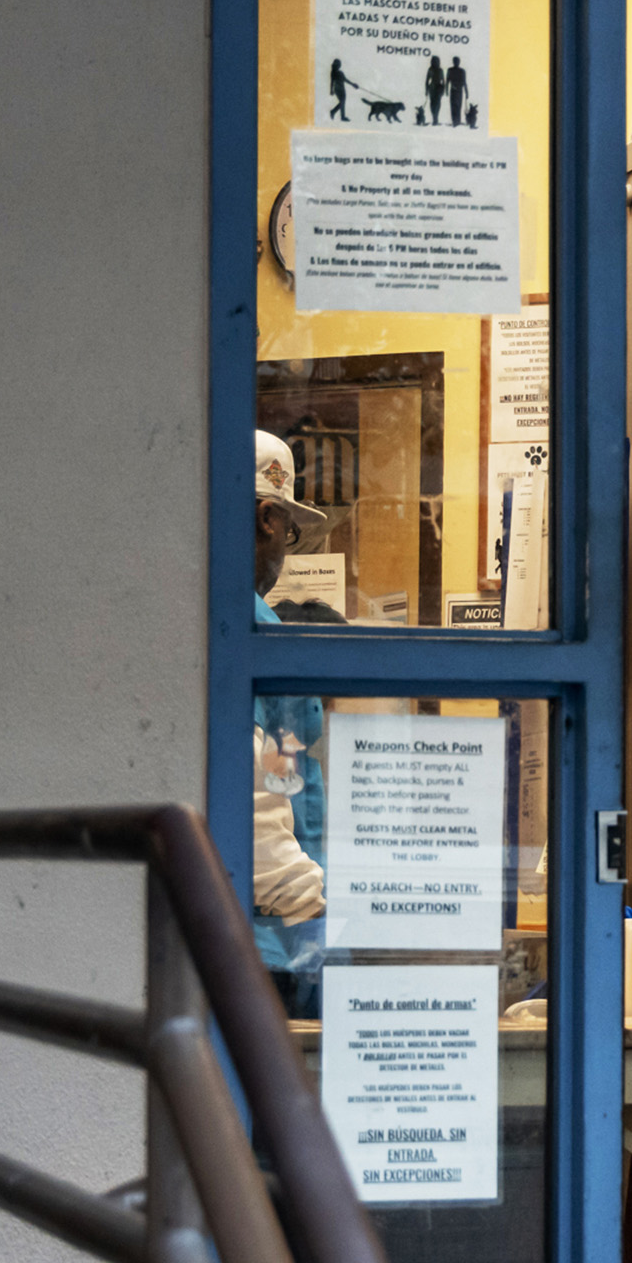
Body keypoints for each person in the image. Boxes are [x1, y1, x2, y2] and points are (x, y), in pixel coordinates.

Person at [252, 430, 336, 1012]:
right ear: (267, 519)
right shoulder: (247, 632)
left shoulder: (239, 623)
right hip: (266, 945)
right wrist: (321, 917)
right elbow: (256, 808)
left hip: (272, 941)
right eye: (290, 532)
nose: (286, 551)